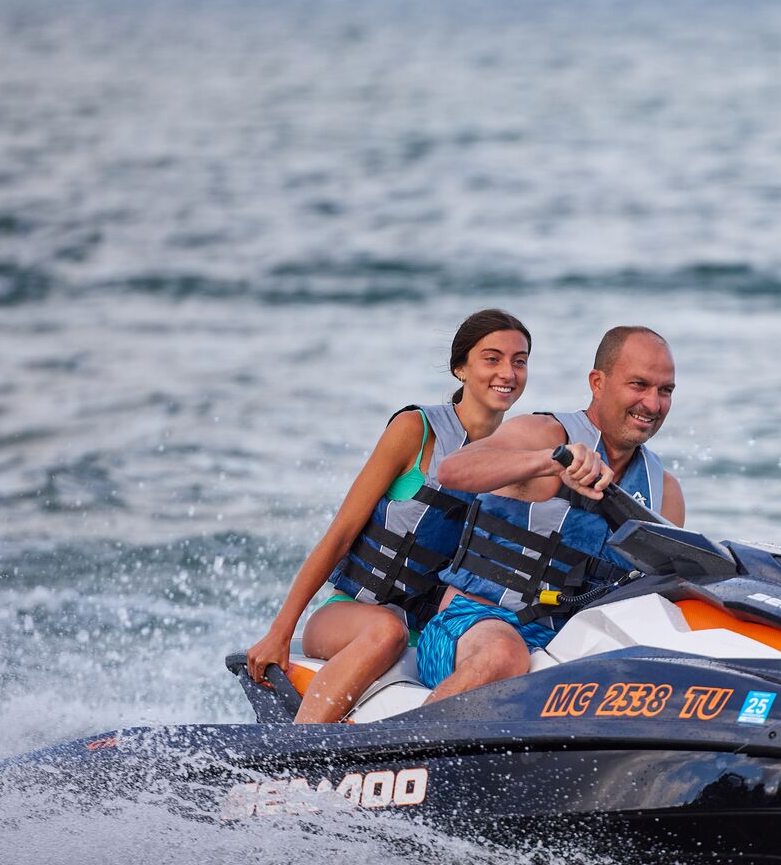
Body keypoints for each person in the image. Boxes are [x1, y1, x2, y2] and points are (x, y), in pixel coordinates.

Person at [243, 309, 533, 723]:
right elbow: (341, 533)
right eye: (492, 358)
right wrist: (280, 632)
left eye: (519, 361)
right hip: (350, 614)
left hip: (431, 631)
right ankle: (299, 752)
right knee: (386, 631)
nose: (508, 371)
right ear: (460, 368)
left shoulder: (513, 457)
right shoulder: (416, 431)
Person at [423, 325, 686, 700]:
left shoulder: (665, 493)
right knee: (505, 652)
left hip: (573, 646)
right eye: (639, 385)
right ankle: (396, 752)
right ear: (598, 382)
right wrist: (549, 463)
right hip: (470, 627)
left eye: (665, 391)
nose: (653, 404)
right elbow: (452, 471)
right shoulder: (545, 434)